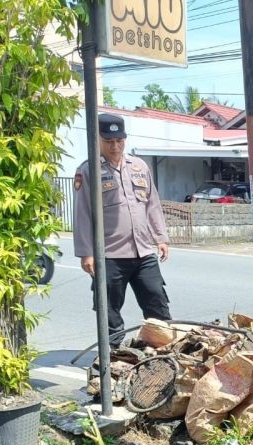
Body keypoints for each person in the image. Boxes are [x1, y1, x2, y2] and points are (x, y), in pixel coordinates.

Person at [74, 113, 172, 348]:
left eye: (119, 140)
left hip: (144, 252)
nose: (115, 146)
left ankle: (163, 353)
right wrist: (87, 252)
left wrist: (160, 237)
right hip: (109, 255)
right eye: (109, 141)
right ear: (97, 139)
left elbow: (152, 204)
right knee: (109, 312)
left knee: (157, 303)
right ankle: (114, 357)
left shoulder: (139, 166)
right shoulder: (88, 170)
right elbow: (82, 214)